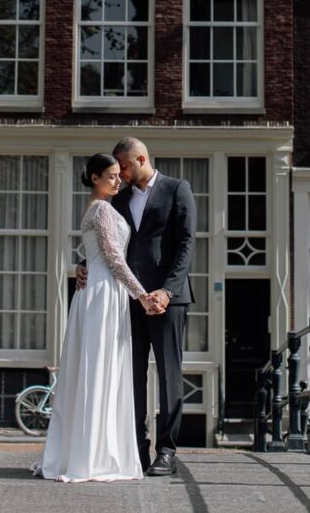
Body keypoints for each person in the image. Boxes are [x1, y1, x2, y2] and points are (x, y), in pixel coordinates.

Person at [36, 152, 162, 482]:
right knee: (99, 370)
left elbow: (98, 257)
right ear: (94, 178)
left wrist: (85, 267)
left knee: (102, 370)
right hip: (104, 295)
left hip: (104, 292)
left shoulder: (100, 207)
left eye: (120, 175)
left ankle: (91, 451)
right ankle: (92, 455)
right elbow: (114, 260)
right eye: (111, 176)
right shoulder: (102, 209)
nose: (118, 180)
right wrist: (143, 295)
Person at [77, 136, 196, 477]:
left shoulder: (177, 189)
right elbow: (108, 243)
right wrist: (84, 264)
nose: (121, 174)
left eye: (125, 166)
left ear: (141, 158)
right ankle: (137, 449)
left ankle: (167, 452)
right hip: (127, 299)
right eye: (116, 170)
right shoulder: (119, 197)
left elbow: (186, 244)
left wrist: (166, 292)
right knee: (130, 377)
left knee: (170, 376)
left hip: (166, 300)